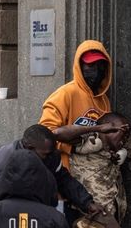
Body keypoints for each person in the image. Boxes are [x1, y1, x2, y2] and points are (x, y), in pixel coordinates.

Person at [0, 124, 103, 216]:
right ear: (29, 149)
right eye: (46, 154)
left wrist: (87, 203)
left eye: (52, 152)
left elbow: (64, 180)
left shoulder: (49, 155)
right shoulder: (2, 163)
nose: (50, 158)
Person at [40, 39, 113, 169]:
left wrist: (115, 149)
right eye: (90, 66)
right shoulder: (65, 93)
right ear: (80, 66)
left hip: (96, 174)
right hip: (68, 172)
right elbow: (44, 135)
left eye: (100, 65)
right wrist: (73, 148)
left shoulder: (103, 100)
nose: (96, 72)